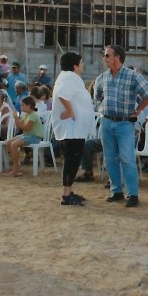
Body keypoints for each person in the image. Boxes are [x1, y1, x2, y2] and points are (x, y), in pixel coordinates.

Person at [95, 44, 148, 208]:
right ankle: (116, 191)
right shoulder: (102, 77)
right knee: (109, 159)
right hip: (106, 121)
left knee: (127, 159)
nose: (104, 58)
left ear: (117, 57)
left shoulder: (132, 76)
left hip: (124, 123)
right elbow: (98, 95)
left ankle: (133, 194)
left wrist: (138, 110)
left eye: (107, 55)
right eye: (105, 55)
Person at [52, 52, 95, 206]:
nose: (83, 65)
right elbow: (63, 95)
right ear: (75, 65)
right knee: (72, 160)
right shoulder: (69, 77)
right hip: (71, 129)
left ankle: (69, 190)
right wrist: (70, 111)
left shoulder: (68, 77)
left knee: (73, 160)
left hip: (74, 129)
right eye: (81, 62)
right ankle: (66, 194)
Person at [0, 96, 44, 177]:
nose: (21, 107)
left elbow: (26, 128)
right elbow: (20, 127)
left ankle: (16, 169)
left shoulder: (33, 115)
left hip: (34, 137)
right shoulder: (26, 115)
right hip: (27, 135)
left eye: (23, 105)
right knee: (9, 142)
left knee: (14, 144)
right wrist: (17, 119)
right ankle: (17, 166)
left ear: (29, 106)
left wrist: (17, 119)